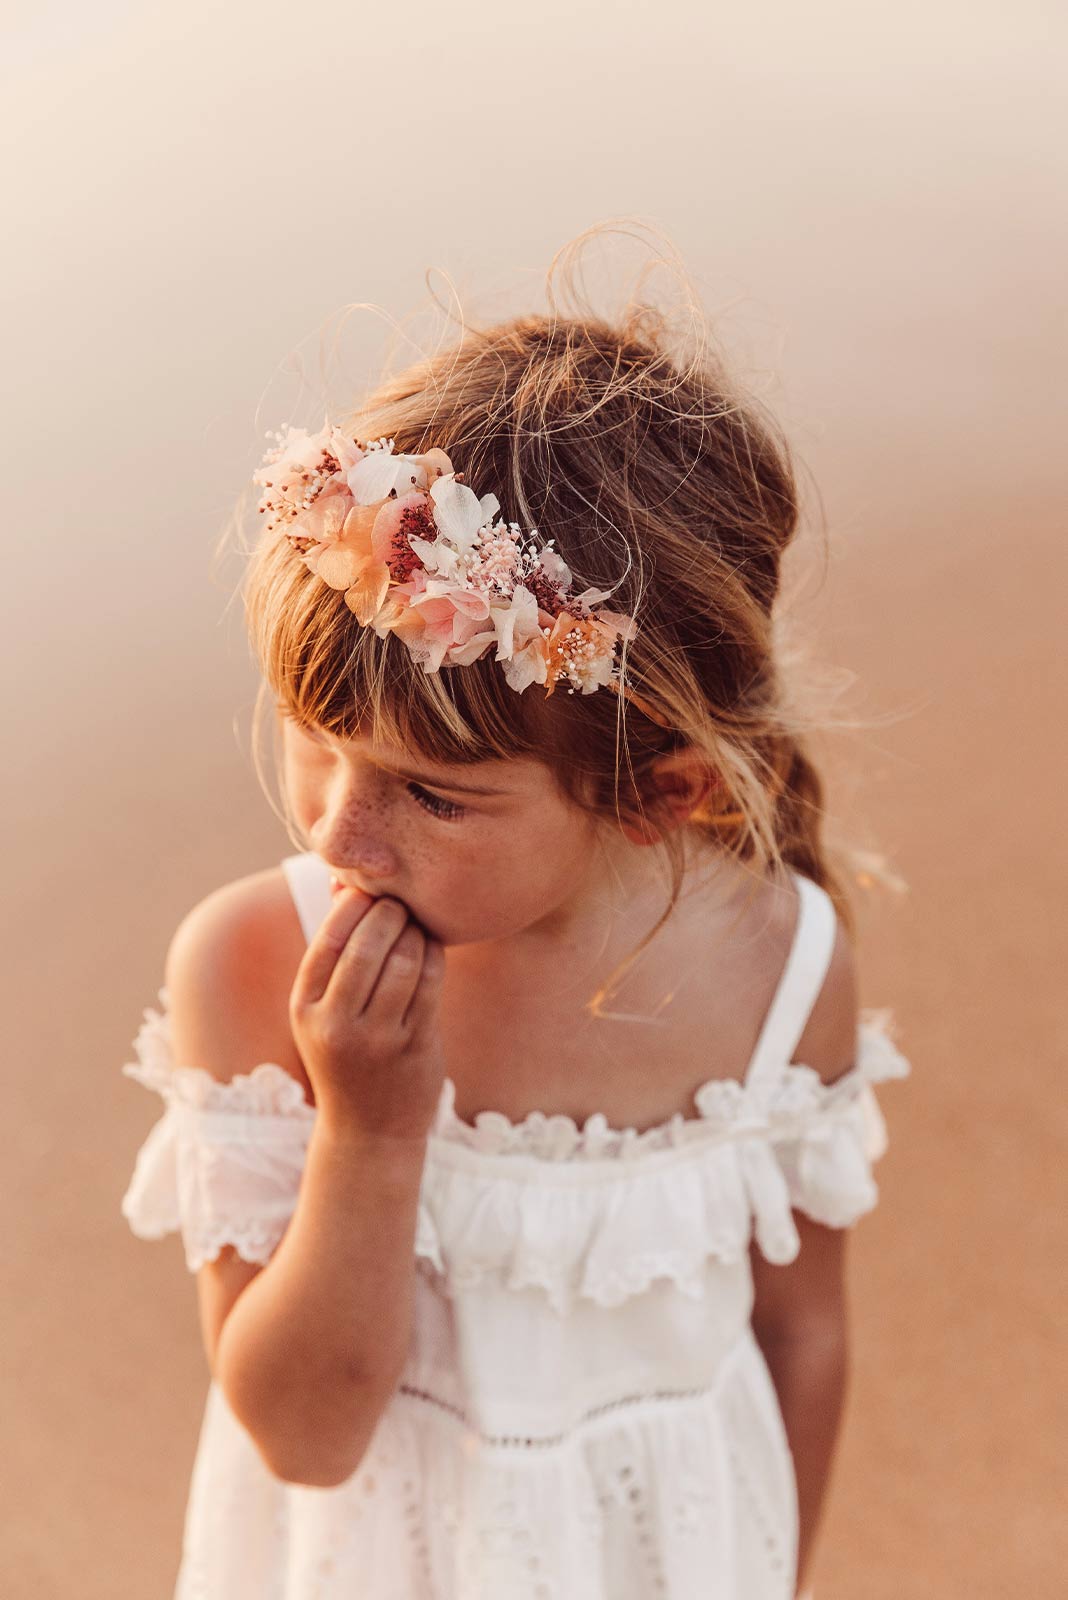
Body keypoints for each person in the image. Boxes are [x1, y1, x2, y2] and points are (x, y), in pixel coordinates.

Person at [120, 259, 911, 1600]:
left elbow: (802, 1341)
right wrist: (370, 1133)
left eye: (432, 794)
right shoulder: (253, 962)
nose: (336, 838)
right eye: (320, 749)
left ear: (659, 795)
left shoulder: (784, 969)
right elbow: (305, 1439)